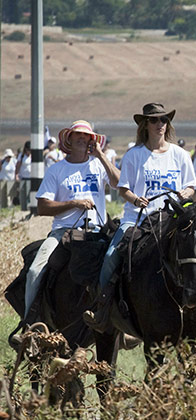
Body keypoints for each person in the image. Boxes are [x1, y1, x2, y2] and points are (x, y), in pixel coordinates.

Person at [84, 103, 196, 331]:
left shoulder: (180, 155)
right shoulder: (134, 155)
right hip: (138, 218)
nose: (160, 125)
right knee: (111, 255)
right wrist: (135, 199)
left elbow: (191, 185)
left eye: (164, 120)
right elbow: (123, 189)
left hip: (172, 218)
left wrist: (186, 192)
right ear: (145, 124)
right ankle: (102, 305)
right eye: (154, 120)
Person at [23, 120, 120, 321]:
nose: (83, 138)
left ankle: (121, 323)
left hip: (97, 231)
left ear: (93, 140)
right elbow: (42, 207)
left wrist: (101, 156)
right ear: (69, 138)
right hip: (62, 232)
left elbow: (120, 183)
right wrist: (73, 203)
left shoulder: (99, 165)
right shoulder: (57, 170)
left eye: (87, 136)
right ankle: (28, 323)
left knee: (123, 266)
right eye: (78, 135)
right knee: (34, 271)